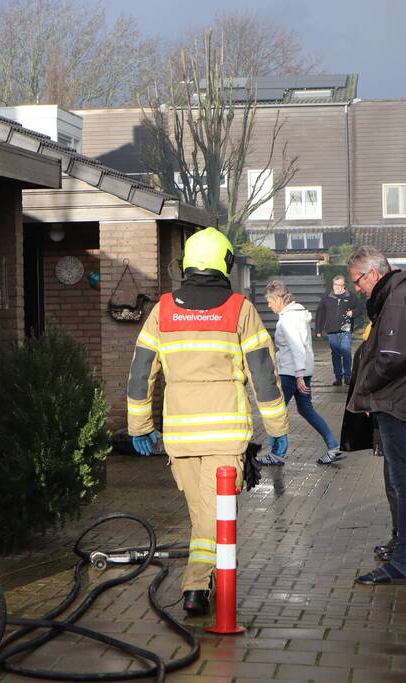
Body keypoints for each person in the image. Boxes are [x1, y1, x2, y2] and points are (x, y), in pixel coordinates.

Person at [126, 227, 290, 616]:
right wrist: (278, 429)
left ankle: (202, 583)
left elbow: (141, 372)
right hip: (225, 436)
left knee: (203, 515)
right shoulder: (239, 309)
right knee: (212, 518)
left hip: (181, 438)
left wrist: (140, 426)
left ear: (186, 264)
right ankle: (196, 587)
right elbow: (263, 375)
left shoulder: (163, 310)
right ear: (226, 263)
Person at [347, 247, 406, 584]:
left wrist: (364, 383)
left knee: (404, 482)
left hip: (396, 402)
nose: (357, 288)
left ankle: (402, 564)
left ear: (373, 274)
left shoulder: (397, 301)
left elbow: (392, 356)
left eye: (358, 281)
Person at [265, 281, 344, 465]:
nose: (268, 305)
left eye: (270, 301)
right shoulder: (299, 314)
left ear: (279, 299)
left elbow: (296, 346)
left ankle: (277, 454)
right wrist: (302, 373)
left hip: (291, 372)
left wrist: (298, 375)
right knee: (306, 409)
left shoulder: (288, 319)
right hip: (302, 369)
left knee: (276, 412)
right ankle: (333, 446)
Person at [315, 275, 362, 386]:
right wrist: (318, 329)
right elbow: (320, 312)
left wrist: (353, 313)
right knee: (335, 354)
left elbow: (360, 308)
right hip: (332, 330)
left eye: (340, 285)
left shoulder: (351, 296)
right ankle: (338, 377)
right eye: (336, 284)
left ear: (344, 285)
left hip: (346, 330)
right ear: (333, 284)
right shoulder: (327, 296)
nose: (338, 287)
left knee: (346, 352)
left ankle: (348, 377)